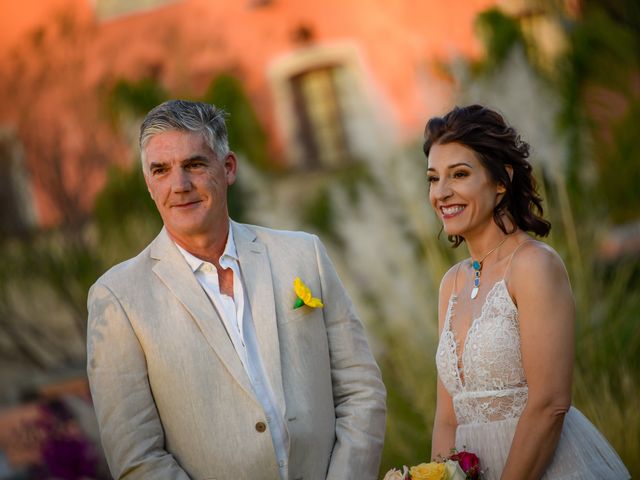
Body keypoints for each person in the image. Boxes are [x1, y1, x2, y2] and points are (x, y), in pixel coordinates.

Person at [86, 99, 386, 479]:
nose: (179, 185)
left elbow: (362, 391)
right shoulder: (117, 299)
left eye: (194, 164)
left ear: (227, 168)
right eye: (161, 170)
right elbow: (138, 459)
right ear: (149, 184)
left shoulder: (302, 254)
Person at [425, 105, 630, 479]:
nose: (442, 192)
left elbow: (551, 403)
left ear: (501, 180)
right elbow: (447, 415)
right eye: (433, 178)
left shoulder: (534, 266)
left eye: (459, 174)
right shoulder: (450, 284)